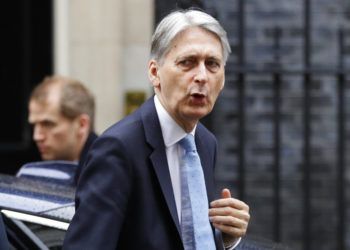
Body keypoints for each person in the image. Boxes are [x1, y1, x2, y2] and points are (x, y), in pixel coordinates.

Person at [63, 9, 250, 250]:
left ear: (223, 79)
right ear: (154, 73)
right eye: (187, 62)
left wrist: (225, 238)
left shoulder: (205, 142)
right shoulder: (118, 148)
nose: (202, 76)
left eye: (212, 64)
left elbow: (185, 238)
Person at [28, 76, 97, 184]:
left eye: (47, 124)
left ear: (81, 125)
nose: (37, 136)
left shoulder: (104, 172)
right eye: (34, 125)